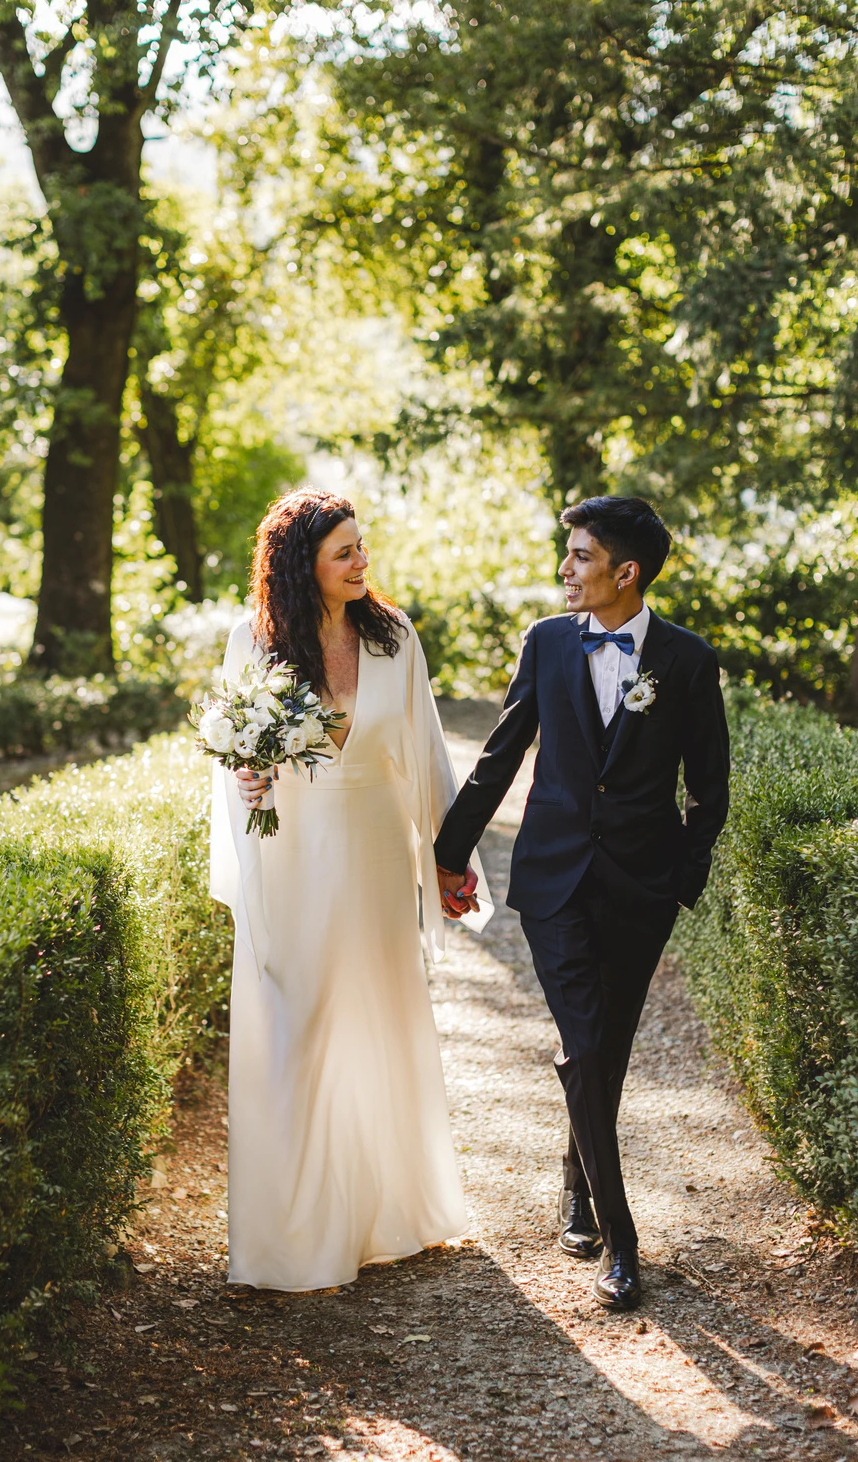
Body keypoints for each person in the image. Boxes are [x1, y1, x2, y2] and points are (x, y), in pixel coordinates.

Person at [434, 496, 729, 1310]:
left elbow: (709, 787)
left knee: (608, 1049)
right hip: (555, 880)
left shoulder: (688, 661)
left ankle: (573, 1185)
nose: (564, 570)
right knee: (584, 1045)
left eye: (579, 556)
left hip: (642, 887)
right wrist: (447, 854)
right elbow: (498, 757)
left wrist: (685, 876)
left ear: (624, 572)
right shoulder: (546, 644)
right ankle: (622, 1239)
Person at [209, 488, 491, 1292]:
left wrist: (447, 858)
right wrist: (250, 780)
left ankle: (385, 1213)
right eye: (345, 552)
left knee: (371, 1018)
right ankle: (295, 1236)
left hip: (369, 848)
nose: (362, 561)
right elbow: (234, 767)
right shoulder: (252, 641)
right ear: (304, 566)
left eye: (362, 547)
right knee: (294, 1021)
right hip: (290, 854)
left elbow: (427, 753)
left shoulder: (394, 637)